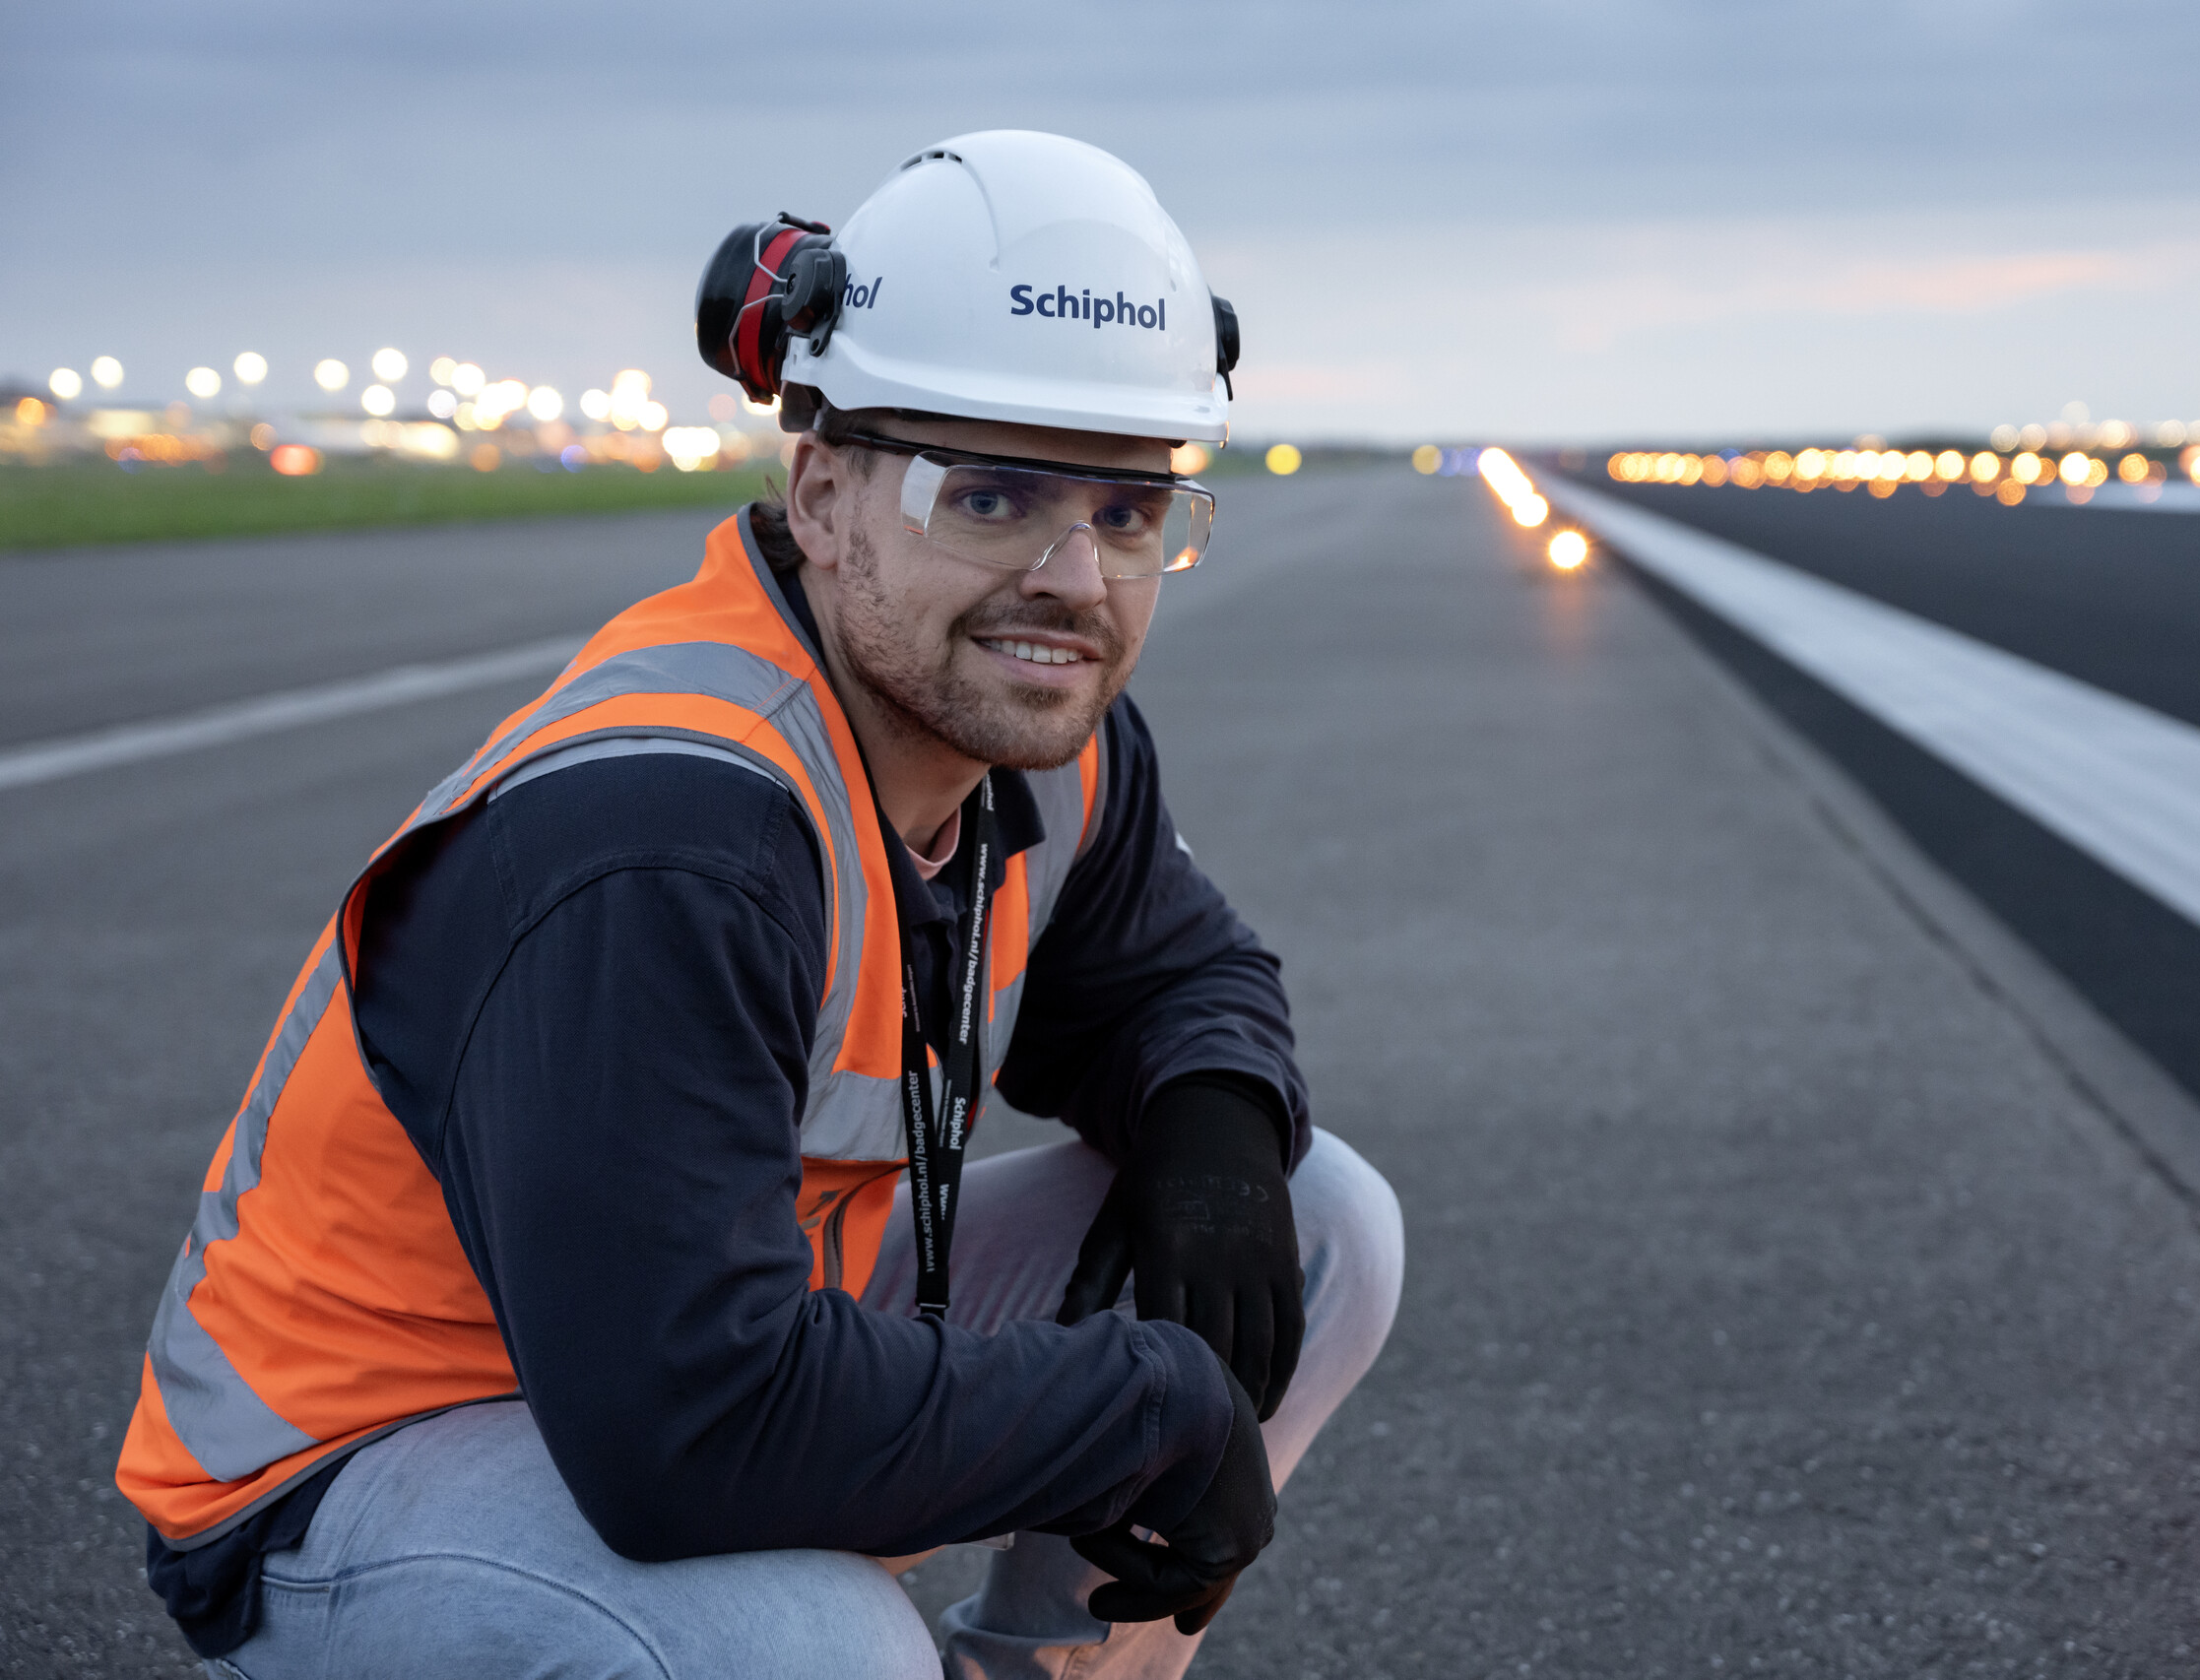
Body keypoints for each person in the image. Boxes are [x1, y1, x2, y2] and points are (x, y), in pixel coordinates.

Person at [116, 130, 1403, 1680]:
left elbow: (1175, 973)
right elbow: (689, 1424)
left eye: (1129, 514)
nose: (1072, 580)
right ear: (823, 496)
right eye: (987, 496)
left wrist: (1210, 1122)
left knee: (1322, 1219)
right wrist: (1140, 1407)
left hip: (706, 1337)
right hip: (363, 1464)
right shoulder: (665, 831)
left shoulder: (1037, 740)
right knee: (806, 1648)